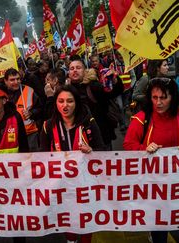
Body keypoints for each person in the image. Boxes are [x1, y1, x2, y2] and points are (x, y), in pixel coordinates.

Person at [123, 77, 179, 243]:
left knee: (176, 215)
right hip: (153, 182)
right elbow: (128, 144)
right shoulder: (141, 118)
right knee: (159, 222)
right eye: (154, 98)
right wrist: (143, 149)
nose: (158, 103)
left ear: (173, 97)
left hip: (178, 179)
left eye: (163, 98)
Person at [40, 85, 105, 243]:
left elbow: (102, 150)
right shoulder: (48, 126)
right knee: (67, 216)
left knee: (86, 217)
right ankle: (70, 240)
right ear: (55, 103)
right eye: (61, 101)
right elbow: (41, 155)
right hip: (61, 183)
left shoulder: (88, 123)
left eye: (70, 101)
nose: (65, 105)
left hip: (86, 182)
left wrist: (91, 151)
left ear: (76, 103)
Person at [68, 59, 123, 150]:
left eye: (78, 68)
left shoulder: (93, 86)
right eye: (72, 68)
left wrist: (115, 81)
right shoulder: (66, 90)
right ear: (69, 73)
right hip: (78, 140)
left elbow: (112, 93)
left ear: (85, 71)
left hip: (100, 138)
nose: (75, 70)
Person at [4, 68, 42, 151]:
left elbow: (40, 108)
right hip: (9, 134)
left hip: (30, 134)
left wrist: (31, 113)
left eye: (18, 79)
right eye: (12, 80)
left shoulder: (29, 91)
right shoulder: (1, 94)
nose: (16, 82)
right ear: (5, 81)